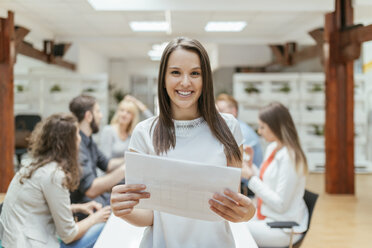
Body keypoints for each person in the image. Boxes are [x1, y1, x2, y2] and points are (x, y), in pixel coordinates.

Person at [110, 37, 256, 247]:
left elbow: (233, 205)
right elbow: (149, 215)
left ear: (205, 79)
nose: (185, 82)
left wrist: (247, 212)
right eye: (176, 72)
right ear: (163, 78)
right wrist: (123, 210)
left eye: (195, 73)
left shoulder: (229, 127)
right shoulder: (144, 132)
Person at [0, 113, 111, 248]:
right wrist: (96, 218)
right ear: (68, 142)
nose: (80, 139)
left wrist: (78, 208)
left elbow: (38, 207)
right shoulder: (54, 175)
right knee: (103, 226)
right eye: (77, 135)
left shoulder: (32, 164)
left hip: (13, 242)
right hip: (30, 244)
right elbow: (69, 234)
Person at [242, 102, 309, 247]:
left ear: (275, 127)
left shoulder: (290, 158)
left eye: (262, 127)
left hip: (283, 227)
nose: (259, 132)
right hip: (267, 217)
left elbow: (280, 204)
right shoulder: (273, 148)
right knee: (231, 222)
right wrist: (250, 166)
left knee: (237, 230)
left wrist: (250, 178)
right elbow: (268, 182)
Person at [69, 95, 125, 209]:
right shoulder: (77, 145)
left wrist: (132, 158)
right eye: (98, 111)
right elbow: (91, 189)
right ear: (88, 116)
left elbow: (107, 164)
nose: (101, 116)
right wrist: (126, 168)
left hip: (100, 201)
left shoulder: (88, 140)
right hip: (88, 209)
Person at [216, 93, 263, 167]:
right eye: (216, 112)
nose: (218, 115)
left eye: (221, 111)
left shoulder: (243, 132)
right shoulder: (231, 129)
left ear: (234, 111)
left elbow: (239, 165)